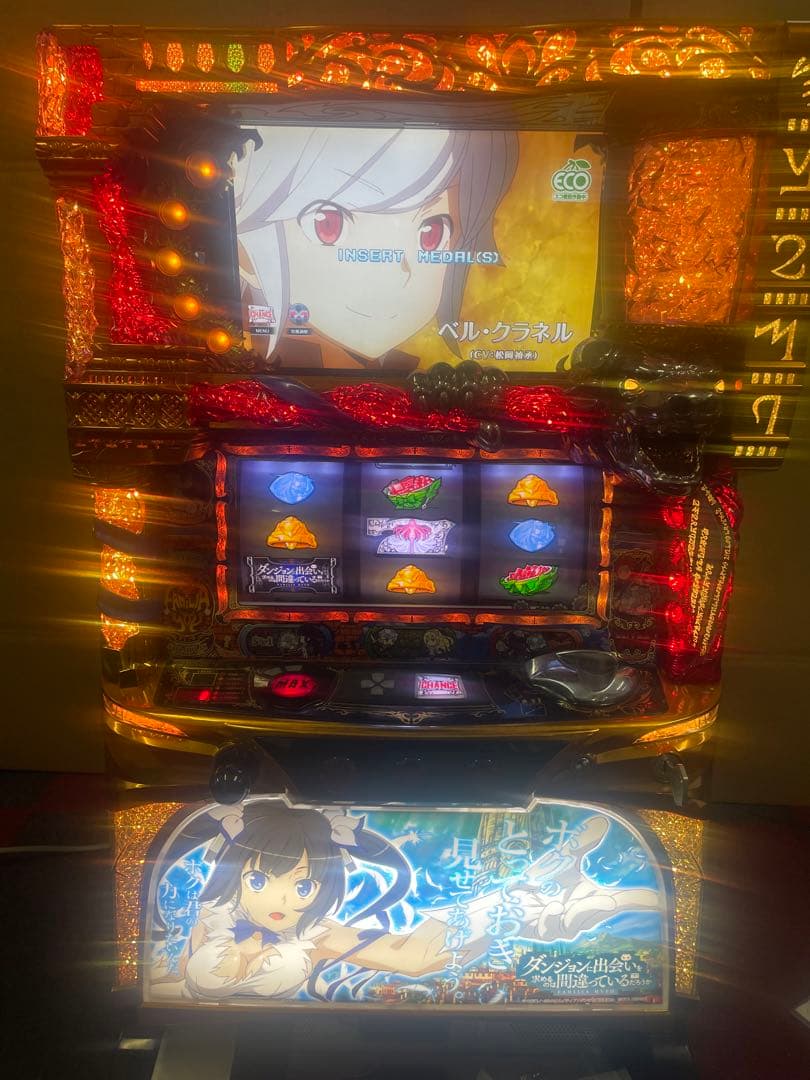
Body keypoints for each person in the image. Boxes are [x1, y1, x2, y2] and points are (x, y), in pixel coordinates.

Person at [148, 800, 661, 1003]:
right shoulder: (213, 915)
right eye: (260, 879)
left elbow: (413, 957)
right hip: (201, 1037)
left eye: (304, 886)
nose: (281, 899)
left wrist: (509, 909)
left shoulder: (316, 934)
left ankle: (542, 885)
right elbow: (164, 979)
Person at [234, 126, 519, 373]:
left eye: (431, 234)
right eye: (328, 226)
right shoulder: (256, 372)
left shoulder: (412, 373)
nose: (396, 272)